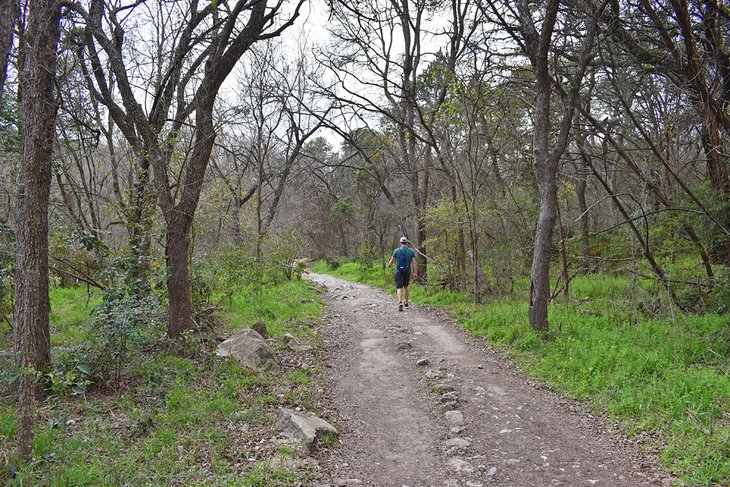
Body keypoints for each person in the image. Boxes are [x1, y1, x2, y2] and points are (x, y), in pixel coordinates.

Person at [387, 236, 418, 312]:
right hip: (407, 272)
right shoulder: (411, 251)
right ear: (406, 242)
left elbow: (391, 262)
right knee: (406, 287)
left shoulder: (396, 251)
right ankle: (406, 303)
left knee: (399, 287)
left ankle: (400, 301)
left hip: (398, 272)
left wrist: (389, 265)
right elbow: (414, 263)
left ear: (400, 243)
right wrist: (415, 272)